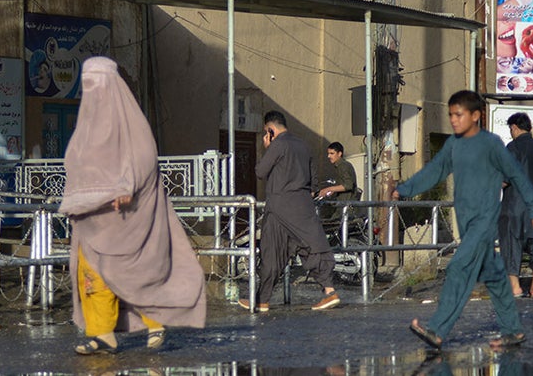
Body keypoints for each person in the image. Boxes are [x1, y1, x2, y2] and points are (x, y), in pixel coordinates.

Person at [58, 56, 206, 355]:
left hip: (127, 217)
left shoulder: (130, 122)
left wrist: (127, 185)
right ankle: (102, 334)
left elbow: (145, 156)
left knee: (132, 272)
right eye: (87, 82)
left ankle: (155, 322)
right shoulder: (85, 127)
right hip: (93, 219)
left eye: (97, 82)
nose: (92, 89)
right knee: (93, 275)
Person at [395, 90, 533, 350]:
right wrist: (406, 188)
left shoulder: (492, 144)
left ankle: (437, 330)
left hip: (484, 222)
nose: (453, 120)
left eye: (459, 115)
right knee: (495, 277)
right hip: (466, 221)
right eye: (451, 114)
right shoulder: (454, 144)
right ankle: (513, 331)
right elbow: (436, 170)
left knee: (458, 268)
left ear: (476, 116)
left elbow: (516, 174)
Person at [239, 111, 339, 312]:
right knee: (308, 245)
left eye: (266, 133)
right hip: (302, 205)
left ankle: (263, 299)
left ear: (270, 130)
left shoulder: (278, 145)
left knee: (271, 252)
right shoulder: (303, 145)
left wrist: (268, 147)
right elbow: (314, 181)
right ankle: (327, 291)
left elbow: (260, 172)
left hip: (278, 207)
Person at [498, 112, 533, 298]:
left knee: (511, 246)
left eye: (511, 129)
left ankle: (515, 287)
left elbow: (504, 180)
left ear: (514, 127)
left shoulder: (511, 148)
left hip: (515, 208)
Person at [316, 142, 358, 224]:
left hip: (346, 207)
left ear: (339, 154)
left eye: (332, 153)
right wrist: (333, 190)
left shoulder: (343, 166)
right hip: (341, 206)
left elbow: (348, 185)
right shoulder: (339, 166)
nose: (329, 156)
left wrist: (328, 189)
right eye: (328, 154)